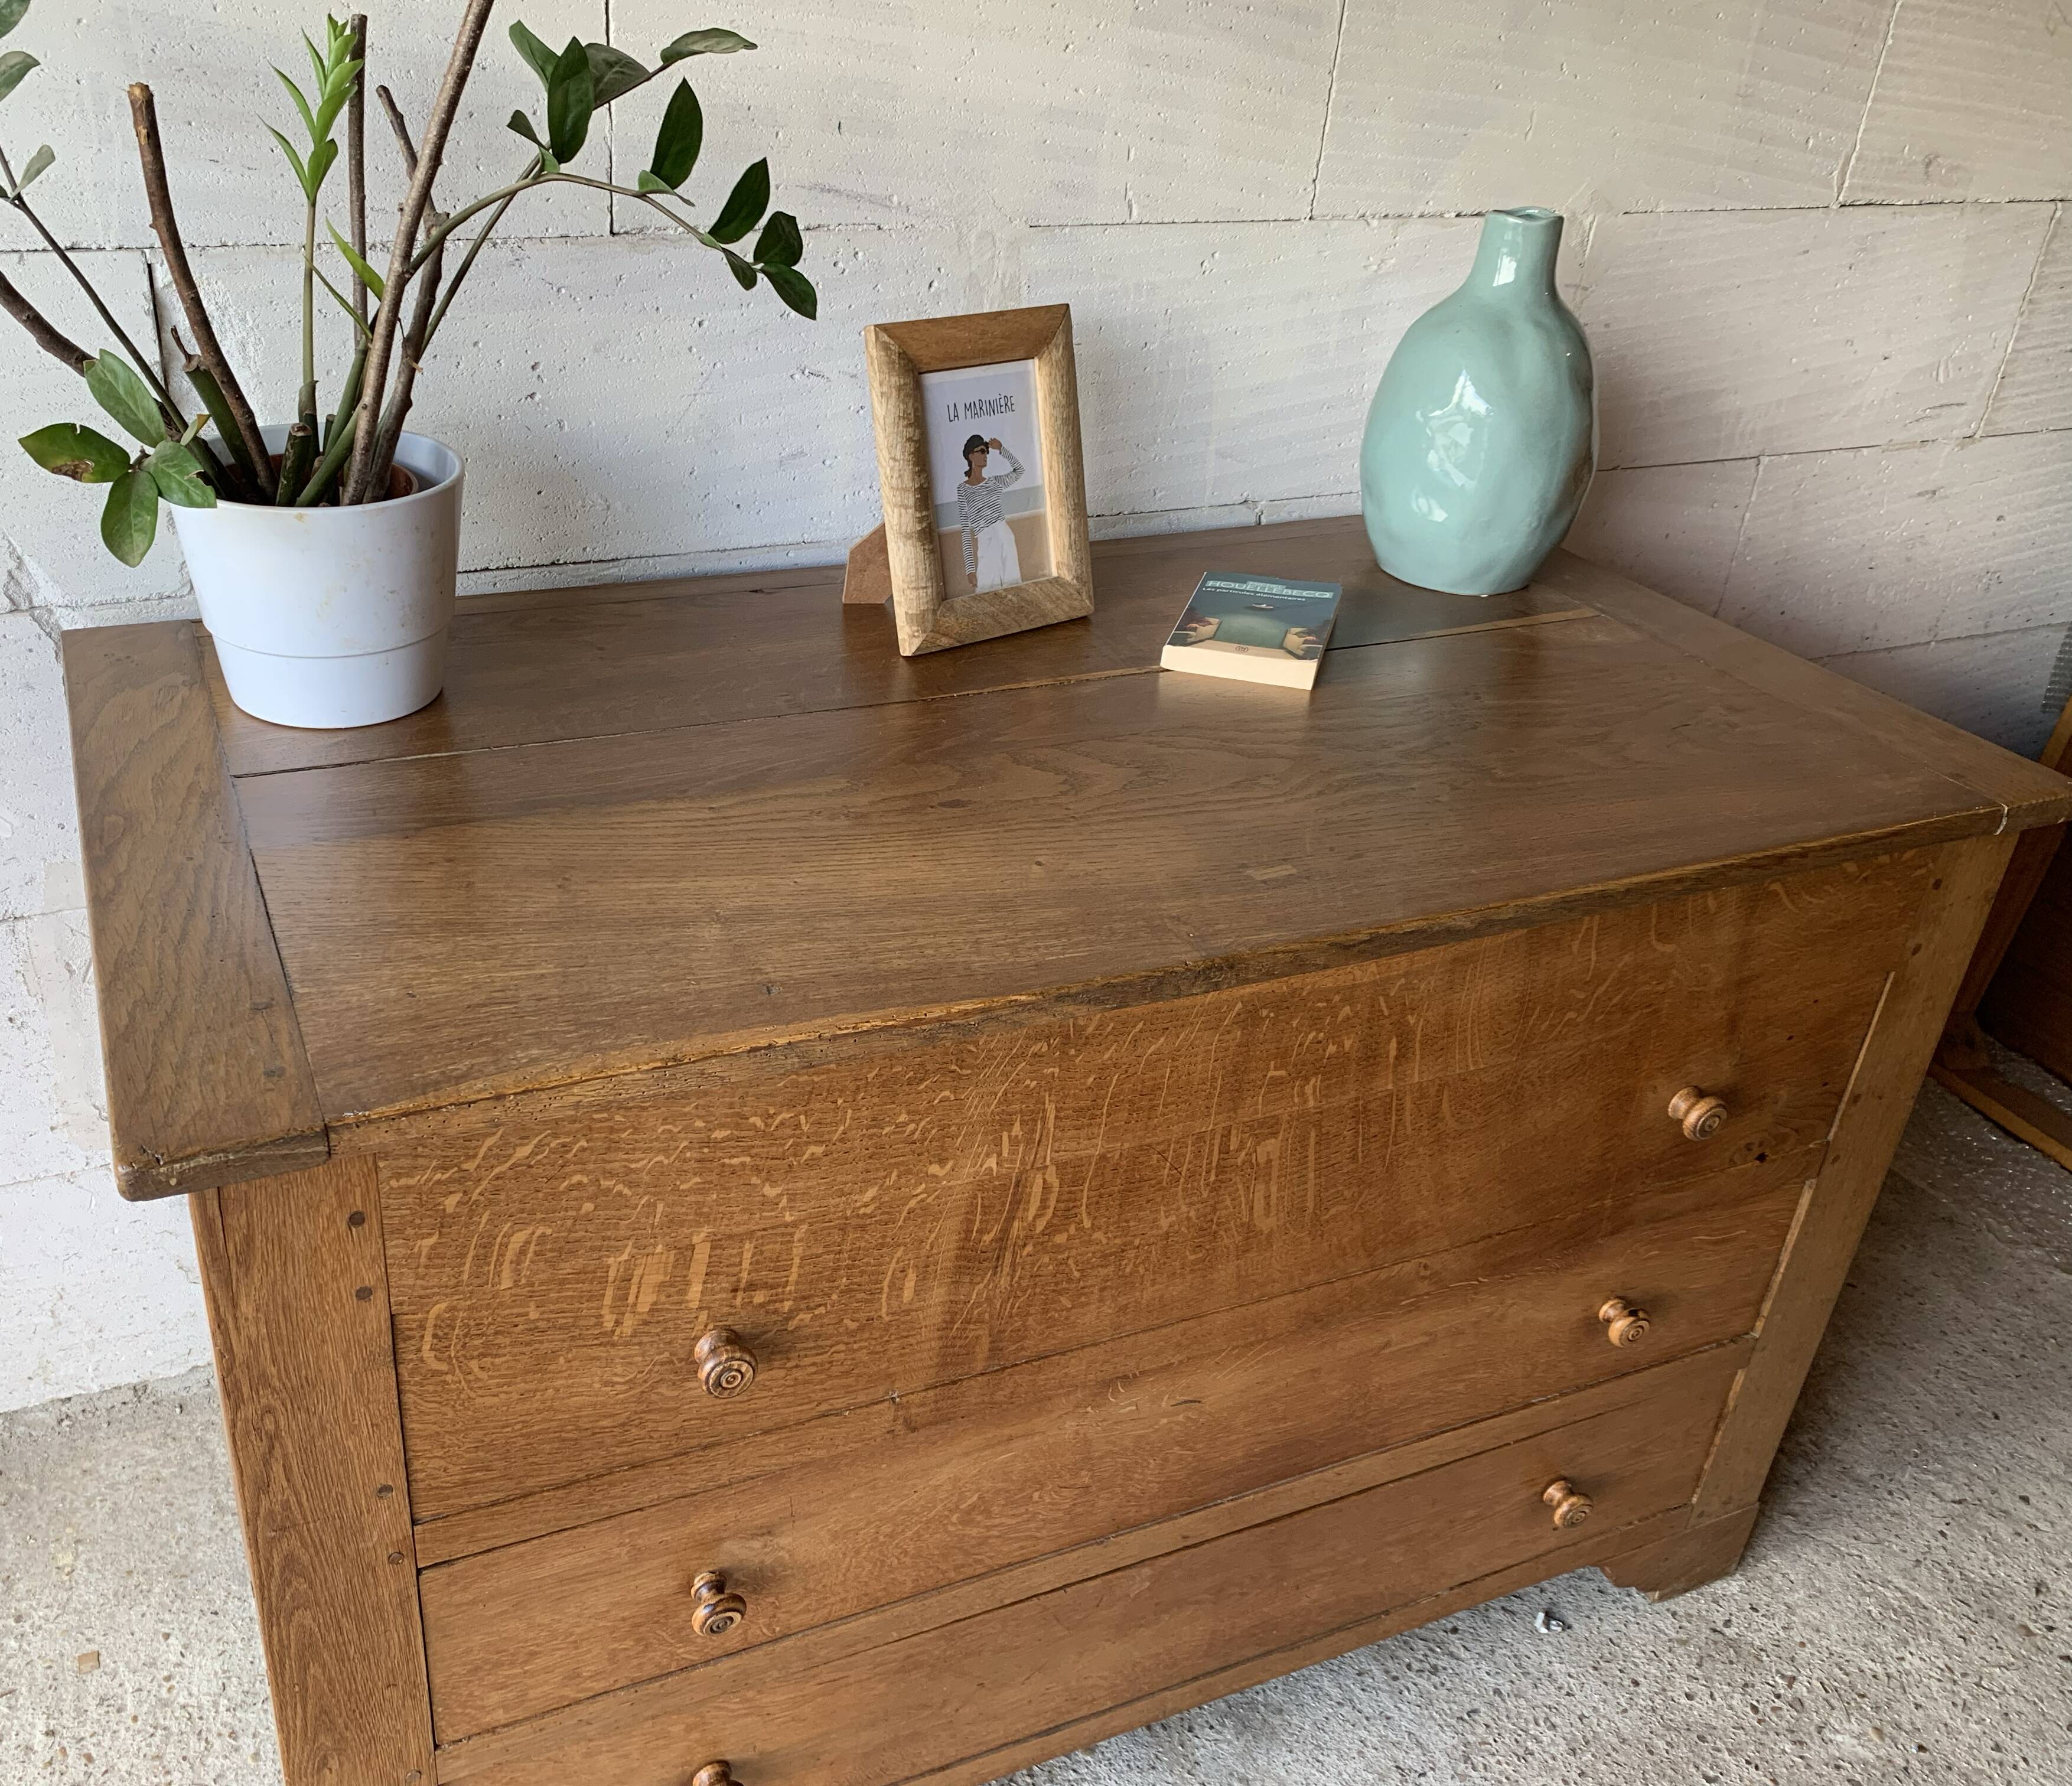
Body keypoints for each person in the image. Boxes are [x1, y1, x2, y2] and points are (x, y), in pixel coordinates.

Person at [954, 434, 1024, 592]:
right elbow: (965, 531)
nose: (985, 455)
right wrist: (970, 569)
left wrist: (1001, 449)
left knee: (1013, 587)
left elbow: (1019, 471)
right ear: (971, 456)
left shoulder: (994, 482)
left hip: (1004, 536)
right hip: (985, 540)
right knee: (986, 590)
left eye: (986, 451)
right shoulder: (963, 490)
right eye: (981, 451)